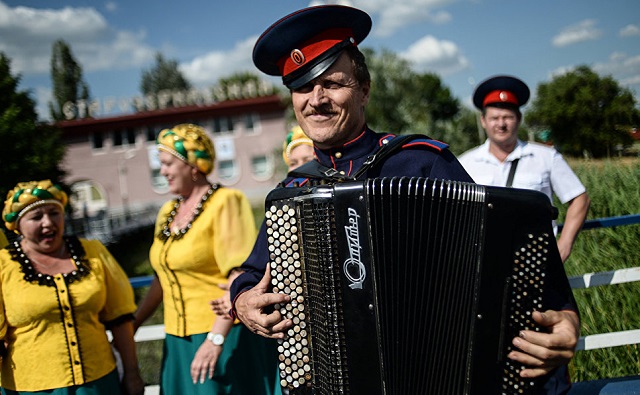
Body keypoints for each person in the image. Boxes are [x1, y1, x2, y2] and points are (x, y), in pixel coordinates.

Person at [229, 5, 580, 394]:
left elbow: (510, 247)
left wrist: (566, 317)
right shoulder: (294, 193)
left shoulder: (421, 161)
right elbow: (250, 273)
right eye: (302, 88)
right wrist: (242, 300)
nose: (316, 99)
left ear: (364, 90)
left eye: (333, 83)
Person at [133, 123, 280, 394]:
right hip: (178, 339)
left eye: (167, 164)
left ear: (193, 165)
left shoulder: (225, 201)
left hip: (222, 335)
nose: (162, 171)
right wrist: (134, 323)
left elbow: (239, 275)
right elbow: (161, 277)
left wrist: (215, 339)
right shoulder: (168, 210)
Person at [0, 179, 144, 395]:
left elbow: (120, 318)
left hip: (99, 383)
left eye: (54, 213)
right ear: (18, 226)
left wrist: (132, 373)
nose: (48, 223)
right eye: (36, 217)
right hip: (32, 389)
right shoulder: (3, 266)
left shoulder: (93, 252)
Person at [459, 75, 590, 263]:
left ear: (519, 119)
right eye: (495, 118)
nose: (501, 124)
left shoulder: (546, 157)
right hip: (482, 263)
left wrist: (564, 245)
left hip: (535, 262)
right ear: (483, 121)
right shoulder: (466, 162)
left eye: (508, 117)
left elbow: (580, 199)